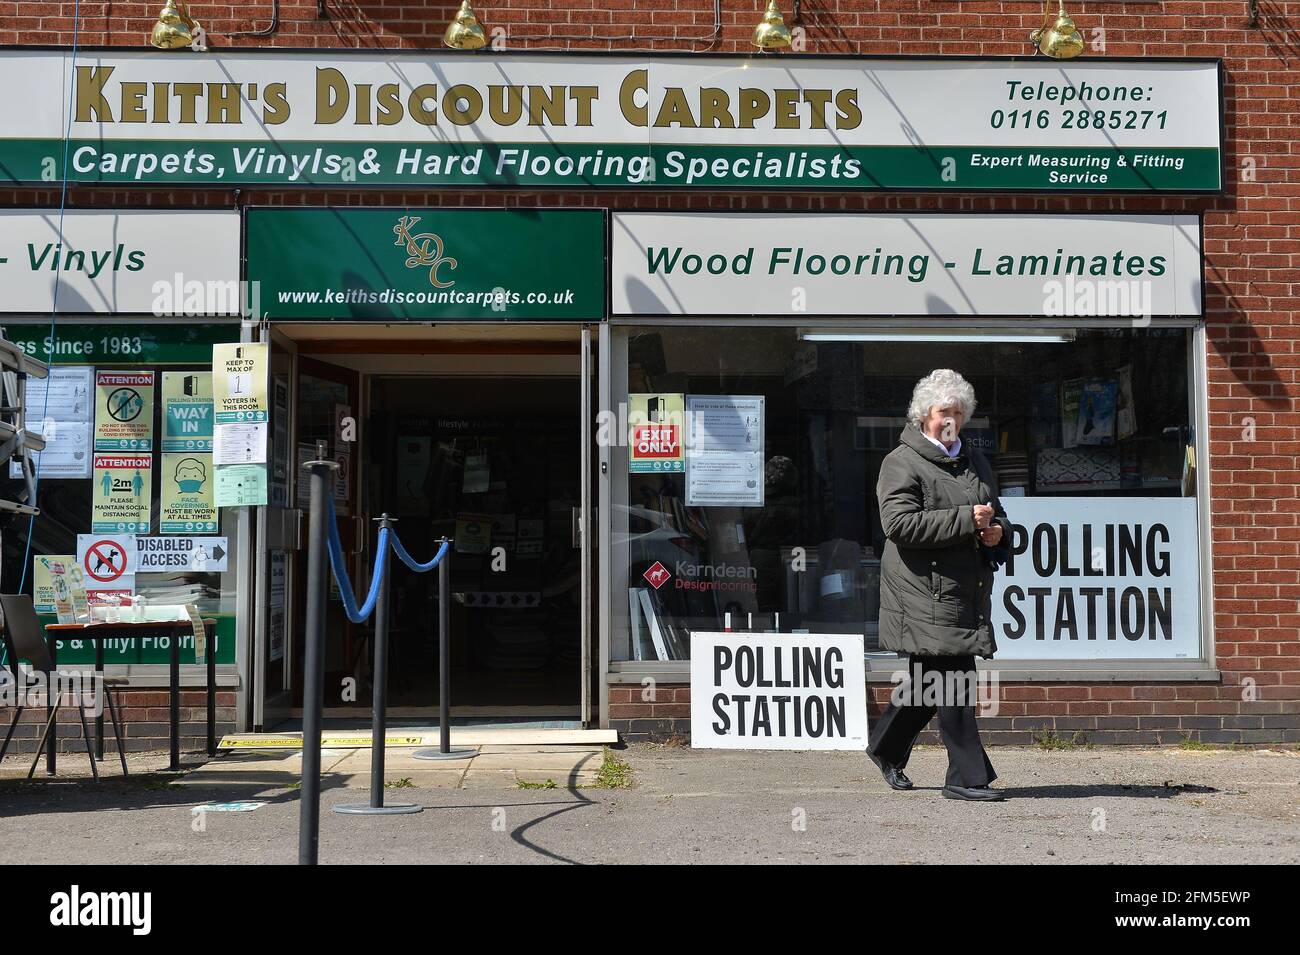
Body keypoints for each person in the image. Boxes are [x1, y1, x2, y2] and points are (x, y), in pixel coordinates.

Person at [867, 369, 1011, 802]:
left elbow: (995, 512)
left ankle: (886, 748)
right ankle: (965, 778)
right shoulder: (900, 462)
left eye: (958, 413)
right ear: (923, 416)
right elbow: (898, 524)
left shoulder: (974, 460)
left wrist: (998, 533)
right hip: (921, 592)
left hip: (963, 591)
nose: (951, 421)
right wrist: (966, 520)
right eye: (942, 412)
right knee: (954, 684)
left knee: (929, 683)